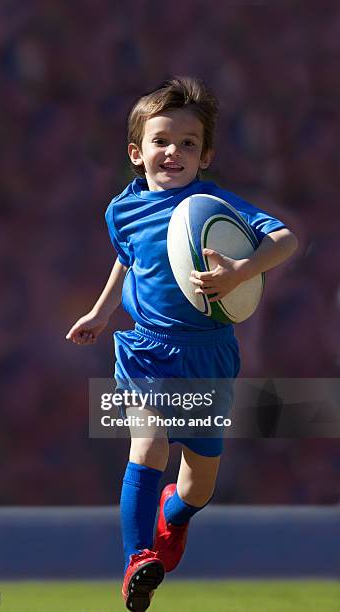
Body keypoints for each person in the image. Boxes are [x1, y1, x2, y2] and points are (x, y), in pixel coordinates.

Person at [67, 76, 298, 611]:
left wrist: (241, 271)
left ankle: (175, 514)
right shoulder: (120, 211)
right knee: (148, 447)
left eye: (188, 143)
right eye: (161, 141)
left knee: (198, 485)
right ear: (136, 152)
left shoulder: (213, 202)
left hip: (210, 353)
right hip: (146, 349)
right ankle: (136, 559)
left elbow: (282, 239)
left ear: (206, 155)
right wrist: (102, 313)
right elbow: (127, 259)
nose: (173, 152)